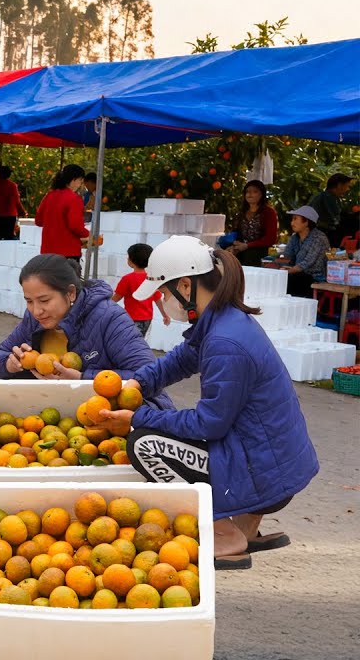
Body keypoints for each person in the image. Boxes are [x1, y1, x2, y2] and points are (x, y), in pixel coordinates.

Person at [95, 236, 318, 569]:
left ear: (186, 285)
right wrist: (139, 383)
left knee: (144, 444)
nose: (161, 301)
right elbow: (182, 359)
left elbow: (208, 423)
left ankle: (225, 535)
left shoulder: (225, 341)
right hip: (274, 464)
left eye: (162, 293)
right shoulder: (223, 320)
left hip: (266, 473)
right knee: (156, 427)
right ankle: (245, 524)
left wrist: (137, 417)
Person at [0, 254, 173, 406]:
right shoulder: (34, 319)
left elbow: (148, 375)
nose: (36, 310)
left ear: (70, 293)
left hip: (119, 419)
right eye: (29, 301)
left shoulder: (108, 317)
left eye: (44, 300)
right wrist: (10, 364)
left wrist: (82, 378)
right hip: (57, 420)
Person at [35, 164, 91, 275]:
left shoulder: (49, 196)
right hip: (67, 251)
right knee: (68, 287)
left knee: (50, 285)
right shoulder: (74, 198)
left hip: (48, 251)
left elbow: (39, 221)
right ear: (74, 179)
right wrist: (89, 235)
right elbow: (75, 226)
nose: (80, 184)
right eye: (80, 181)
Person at [112, 243, 170, 337]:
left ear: (131, 261)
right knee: (139, 341)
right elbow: (158, 299)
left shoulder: (127, 279)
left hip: (130, 318)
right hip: (147, 319)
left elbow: (116, 298)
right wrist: (165, 315)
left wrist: (103, 306)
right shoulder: (151, 279)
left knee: (128, 342)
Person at [278, 206, 330, 298]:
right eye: (292, 219)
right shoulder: (295, 237)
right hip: (298, 274)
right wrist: (277, 264)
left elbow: (307, 263)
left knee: (291, 280)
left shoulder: (319, 238)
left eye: (295, 219)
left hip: (315, 278)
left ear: (306, 222)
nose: (291, 222)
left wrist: (288, 271)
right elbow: (287, 256)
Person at [229, 180, 279, 267]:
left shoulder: (269, 212)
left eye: (254, 191)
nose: (250, 194)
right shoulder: (242, 212)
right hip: (242, 250)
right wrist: (234, 246)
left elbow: (271, 238)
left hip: (260, 253)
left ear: (261, 194)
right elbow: (237, 233)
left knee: (250, 256)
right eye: (247, 192)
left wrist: (247, 245)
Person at [308, 173, 354, 248]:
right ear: (339, 185)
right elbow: (336, 218)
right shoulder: (328, 196)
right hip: (320, 234)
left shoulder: (330, 197)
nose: (348, 189)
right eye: (347, 186)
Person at [0, 164, 25, 249]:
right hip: (11, 215)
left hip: (0, 215)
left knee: (0, 237)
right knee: (9, 237)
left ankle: (0, 252)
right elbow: (17, 201)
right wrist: (22, 211)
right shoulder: (12, 185)